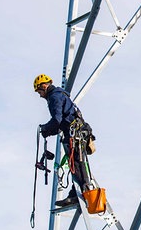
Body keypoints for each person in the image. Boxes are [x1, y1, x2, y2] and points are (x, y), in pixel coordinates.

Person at [34, 74, 95, 207]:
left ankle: (83, 191)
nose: (40, 95)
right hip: (76, 131)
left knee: (76, 164)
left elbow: (57, 120)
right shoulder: (59, 95)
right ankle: (76, 192)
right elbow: (59, 123)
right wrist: (48, 131)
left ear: (44, 86)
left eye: (39, 91)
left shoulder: (54, 97)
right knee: (76, 163)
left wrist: (45, 128)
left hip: (75, 133)